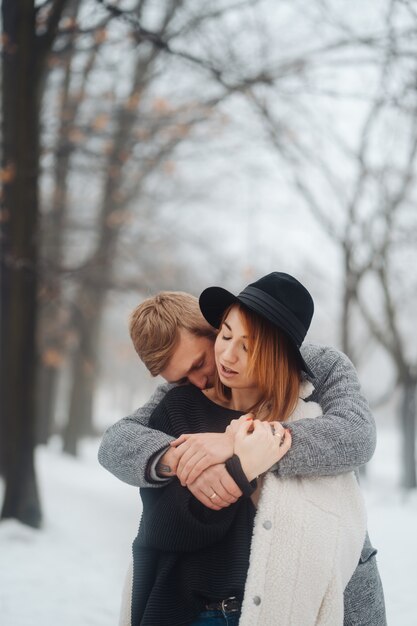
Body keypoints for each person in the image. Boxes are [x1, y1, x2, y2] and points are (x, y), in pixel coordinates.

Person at [98, 276, 387, 625]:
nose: (199, 381)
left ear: (212, 327)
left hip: (334, 574)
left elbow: (356, 435)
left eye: (197, 364)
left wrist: (241, 444)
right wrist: (182, 458)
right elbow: (117, 441)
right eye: (178, 379)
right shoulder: (186, 395)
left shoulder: (320, 366)